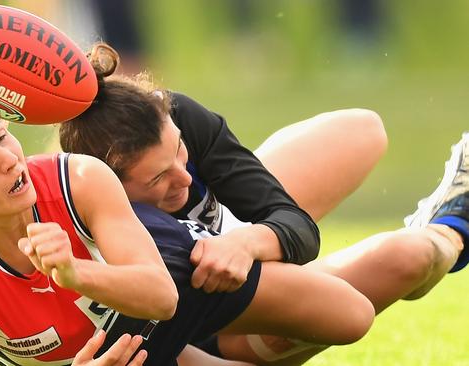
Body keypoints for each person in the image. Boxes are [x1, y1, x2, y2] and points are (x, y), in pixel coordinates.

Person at [0, 72, 376, 366]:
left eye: (1, 135)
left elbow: (161, 297)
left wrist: (77, 275)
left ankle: (446, 225)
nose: (10, 157)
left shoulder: (77, 178)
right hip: (136, 351)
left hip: (182, 282)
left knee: (353, 314)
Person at [59, 43, 466, 364]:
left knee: (362, 130)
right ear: (109, 185)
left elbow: (298, 228)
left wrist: (247, 242)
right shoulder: (91, 218)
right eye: (157, 178)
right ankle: (449, 225)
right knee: (408, 255)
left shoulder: (177, 115)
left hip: (238, 243)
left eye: (179, 151)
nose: (183, 178)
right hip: (216, 327)